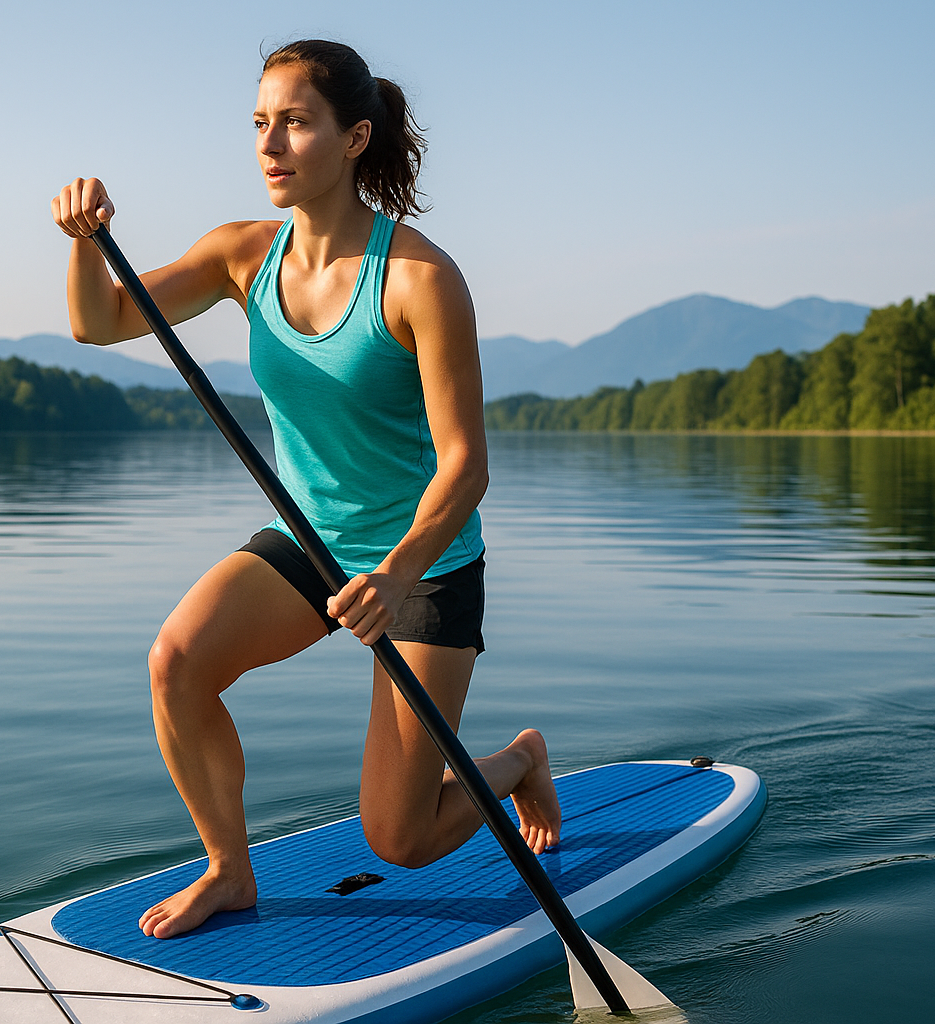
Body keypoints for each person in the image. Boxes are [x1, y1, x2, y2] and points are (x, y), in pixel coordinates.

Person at [51, 39, 560, 940]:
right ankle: (229, 871)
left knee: (399, 838)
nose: (269, 143)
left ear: (355, 137)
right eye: (259, 123)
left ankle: (516, 763)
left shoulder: (421, 279)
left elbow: (465, 466)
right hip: (309, 537)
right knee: (177, 662)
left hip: (427, 563)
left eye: (293, 121)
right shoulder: (241, 254)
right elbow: (100, 323)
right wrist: (87, 244)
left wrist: (399, 575)